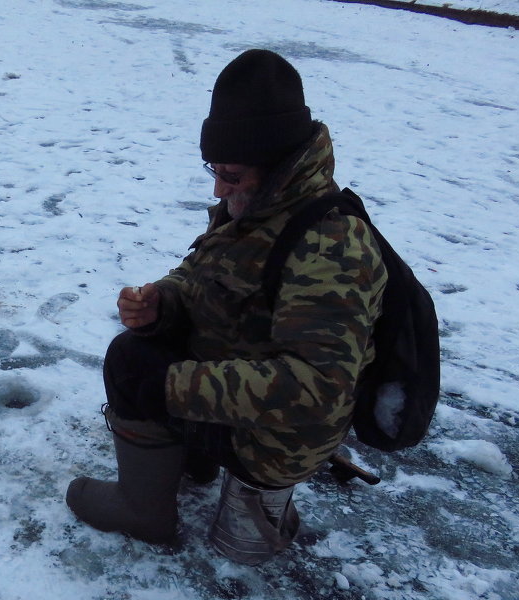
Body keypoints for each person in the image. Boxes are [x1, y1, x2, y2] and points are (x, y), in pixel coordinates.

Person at [65, 49, 388, 563]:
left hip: (278, 440)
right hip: (242, 397)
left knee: (132, 364)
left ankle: (145, 509)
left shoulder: (329, 246)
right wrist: (161, 302)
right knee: (143, 341)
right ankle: (192, 461)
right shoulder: (258, 202)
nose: (218, 188)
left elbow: (319, 389)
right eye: (213, 170)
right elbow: (202, 274)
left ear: (276, 162)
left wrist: (173, 386)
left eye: (231, 176)